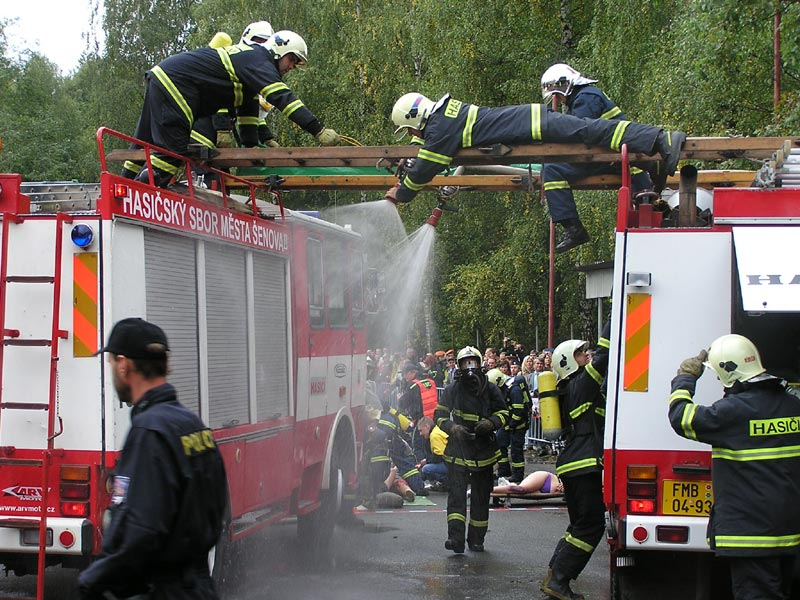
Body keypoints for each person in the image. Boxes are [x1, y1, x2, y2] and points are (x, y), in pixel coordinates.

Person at [78, 318, 227, 600]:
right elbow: (215, 509)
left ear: (124, 365)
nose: (112, 372)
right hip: (199, 589)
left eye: (111, 363)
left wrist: (92, 580)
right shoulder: (194, 426)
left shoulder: (149, 432)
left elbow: (141, 530)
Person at [384, 92, 685, 210]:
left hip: (533, 125)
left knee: (591, 133)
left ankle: (660, 139)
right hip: (531, 122)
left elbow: (425, 169)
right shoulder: (444, 120)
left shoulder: (441, 128)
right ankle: (654, 152)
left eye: (410, 130)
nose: (413, 135)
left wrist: (400, 193)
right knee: (592, 136)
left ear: (415, 118)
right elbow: (429, 154)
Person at [669, 334, 800, 600]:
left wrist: (684, 378)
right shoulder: (793, 407)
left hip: (750, 536)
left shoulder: (731, 412)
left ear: (729, 373)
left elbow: (681, 417)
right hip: (789, 533)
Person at [122, 30, 341, 188]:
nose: (292, 66)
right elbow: (283, 98)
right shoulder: (259, 60)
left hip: (164, 78)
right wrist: (318, 130)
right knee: (172, 152)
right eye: (292, 59)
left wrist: (252, 145)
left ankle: (123, 181)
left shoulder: (250, 64)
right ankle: (139, 194)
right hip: (177, 84)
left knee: (145, 140)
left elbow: (248, 112)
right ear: (279, 50)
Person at [540, 63, 656, 252]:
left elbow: (579, 133)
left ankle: (573, 228)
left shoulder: (586, 98)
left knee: (552, 170)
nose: (559, 100)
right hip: (612, 156)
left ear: (566, 85)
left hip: (608, 156)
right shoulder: (584, 97)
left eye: (558, 94)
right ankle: (572, 227)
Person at [541, 322, 609, 600]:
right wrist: (614, 315)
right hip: (582, 464)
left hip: (575, 465)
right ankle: (559, 579)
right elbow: (604, 357)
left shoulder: (573, 388)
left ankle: (553, 575)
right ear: (570, 362)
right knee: (591, 525)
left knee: (579, 525)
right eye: (582, 354)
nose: (588, 356)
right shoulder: (580, 384)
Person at [434, 346, 509, 553]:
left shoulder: (491, 389)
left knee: (480, 498)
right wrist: (452, 427)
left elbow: (504, 413)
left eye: (472, 362)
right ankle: (455, 539)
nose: (469, 367)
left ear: (479, 364)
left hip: (483, 451)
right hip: (458, 449)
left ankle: (476, 540)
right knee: (456, 496)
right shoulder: (452, 389)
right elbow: (439, 416)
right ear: (459, 366)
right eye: (465, 363)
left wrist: (491, 423)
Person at [415, 416, 449, 491]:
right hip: (449, 463)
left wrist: (426, 461)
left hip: (449, 464)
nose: (420, 434)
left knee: (426, 469)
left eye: (421, 430)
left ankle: (447, 481)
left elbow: (439, 457)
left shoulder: (434, 435)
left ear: (426, 426)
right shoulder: (434, 432)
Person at [493, 470, 563, 496]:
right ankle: (489, 489)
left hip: (545, 490)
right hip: (546, 478)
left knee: (521, 492)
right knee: (521, 489)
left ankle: (508, 485)